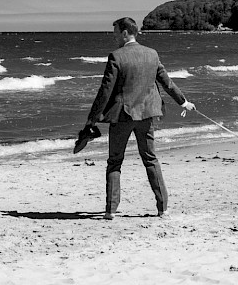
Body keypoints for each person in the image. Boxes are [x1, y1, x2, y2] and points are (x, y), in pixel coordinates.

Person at [75, 17, 194, 219]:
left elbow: (105, 91)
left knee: (115, 162)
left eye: (115, 32)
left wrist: (91, 120)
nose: (113, 36)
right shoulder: (152, 54)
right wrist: (183, 102)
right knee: (150, 159)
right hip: (147, 114)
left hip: (122, 116)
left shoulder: (116, 56)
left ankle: (111, 210)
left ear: (124, 33)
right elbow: (166, 82)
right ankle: (163, 208)